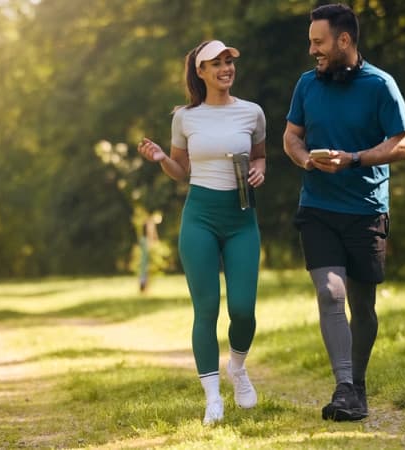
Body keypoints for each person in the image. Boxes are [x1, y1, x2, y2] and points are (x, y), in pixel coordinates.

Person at [282, 3, 405, 422]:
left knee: (363, 306)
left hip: (366, 210)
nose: (312, 51)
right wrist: (305, 161)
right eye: (309, 43)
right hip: (318, 207)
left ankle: (357, 385)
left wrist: (354, 159)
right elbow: (290, 137)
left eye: (318, 42)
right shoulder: (306, 85)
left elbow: (403, 145)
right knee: (329, 292)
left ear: (344, 40)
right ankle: (344, 387)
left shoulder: (380, 85)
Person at [137, 39, 267, 425]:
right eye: (217, 63)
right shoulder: (185, 118)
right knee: (206, 308)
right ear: (201, 71)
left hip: (242, 218)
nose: (226, 68)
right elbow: (182, 170)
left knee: (243, 309)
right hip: (200, 218)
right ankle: (212, 398)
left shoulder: (252, 113)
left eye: (229, 61)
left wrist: (261, 169)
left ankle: (238, 369)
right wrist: (163, 159)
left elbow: (260, 156)